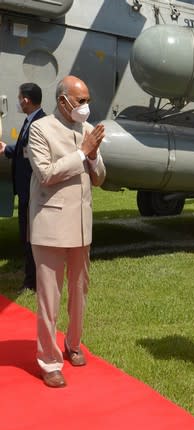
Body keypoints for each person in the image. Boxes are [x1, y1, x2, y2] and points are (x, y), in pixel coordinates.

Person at [27, 75, 106, 388]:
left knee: (79, 292)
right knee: (49, 297)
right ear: (63, 101)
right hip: (50, 226)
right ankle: (49, 361)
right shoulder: (40, 129)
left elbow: (99, 177)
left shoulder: (87, 130)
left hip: (81, 226)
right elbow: (45, 174)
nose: (86, 106)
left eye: (87, 100)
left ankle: (73, 344)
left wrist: (93, 154)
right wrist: (79, 154)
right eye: (81, 100)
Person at [0, 83, 45, 293]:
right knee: (26, 237)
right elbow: (25, 151)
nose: (18, 102)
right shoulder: (31, 120)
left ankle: (32, 281)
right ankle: (31, 278)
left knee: (32, 238)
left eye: (19, 98)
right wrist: (7, 149)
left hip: (32, 190)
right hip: (26, 190)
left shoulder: (39, 122)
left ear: (25, 100)